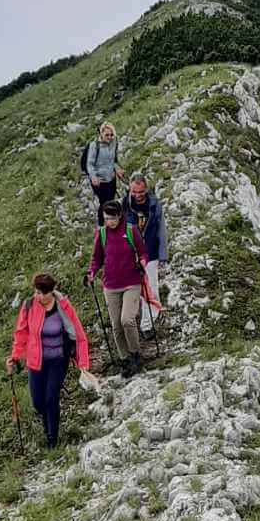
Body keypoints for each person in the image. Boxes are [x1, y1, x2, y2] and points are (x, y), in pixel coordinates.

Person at [6, 273, 90, 448]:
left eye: (42, 293)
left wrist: (83, 362)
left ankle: (52, 437)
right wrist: (14, 357)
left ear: (51, 292)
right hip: (36, 360)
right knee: (38, 401)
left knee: (51, 397)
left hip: (58, 360)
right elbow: (21, 333)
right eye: (36, 292)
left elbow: (79, 334)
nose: (38, 296)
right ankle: (48, 424)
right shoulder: (29, 306)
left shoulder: (63, 306)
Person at [86, 199, 156, 376]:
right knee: (116, 325)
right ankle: (124, 359)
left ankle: (135, 354)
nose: (109, 221)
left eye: (112, 218)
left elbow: (143, 252)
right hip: (110, 285)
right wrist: (91, 273)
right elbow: (96, 259)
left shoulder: (130, 230)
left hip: (131, 283)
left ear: (119, 216)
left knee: (127, 320)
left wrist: (142, 263)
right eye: (105, 218)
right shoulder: (101, 234)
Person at [124, 171, 167, 338]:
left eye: (141, 192)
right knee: (131, 291)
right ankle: (129, 325)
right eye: (134, 192)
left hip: (150, 253)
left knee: (151, 289)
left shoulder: (155, 205)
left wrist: (163, 254)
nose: (137, 196)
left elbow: (162, 230)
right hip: (130, 254)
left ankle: (147, 325)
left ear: (146, 189)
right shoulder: (124, 205)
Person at [82, 122, 124, 217]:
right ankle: (102, 226)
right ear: (101, 134)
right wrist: (93, 177)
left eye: (111, 134)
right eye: (107, 135)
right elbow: (90, 164)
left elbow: (113, 160)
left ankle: (112, 223)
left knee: (111, 200)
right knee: (104, 204)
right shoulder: (94, 146)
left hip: (111, 178)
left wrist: (117, 169)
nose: (109, 137)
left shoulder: (114, 142)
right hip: (100, 181)